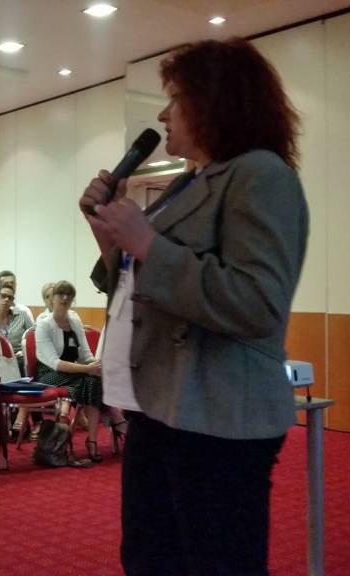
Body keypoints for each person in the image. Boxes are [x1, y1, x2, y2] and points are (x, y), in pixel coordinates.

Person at [81, 38, 308, 575]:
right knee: (149, 558)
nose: (164, 114)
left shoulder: (262, 175)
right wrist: (110, 235)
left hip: (219, 414)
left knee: (213, 563)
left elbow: (257, 302)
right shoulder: (189, 182)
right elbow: (142, 283)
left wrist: (146, 242)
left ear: (216, 102)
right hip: (161, 404)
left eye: (176, 99)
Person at [33, 281, 105, 460]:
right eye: (61, 294)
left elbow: (85, 355)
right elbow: (55, 363)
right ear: (52, 298)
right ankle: (116, 421)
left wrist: (97, 364)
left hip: (74, 373)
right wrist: (87, 368)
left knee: (94, 380)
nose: (65, 298)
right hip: (48, 374)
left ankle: (92, 440)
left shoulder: (74, 321)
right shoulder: (43, 324)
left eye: (69, 295)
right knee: (91, 381)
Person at [0, 282, 34, 372]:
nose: (6, 299)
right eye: (3, 296)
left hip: (19, 359)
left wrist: (22, 353)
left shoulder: (22, 316)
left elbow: (33, 336)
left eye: (10, 297)